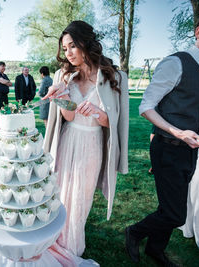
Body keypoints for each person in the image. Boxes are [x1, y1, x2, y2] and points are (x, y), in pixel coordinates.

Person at [126, 2, 199, 266]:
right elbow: (146, 106)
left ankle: (155, 249)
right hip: (167, 147)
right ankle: (135, 232)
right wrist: (178, 131)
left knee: (169, 207)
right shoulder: (175, 63)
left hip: (190, 148)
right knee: (176, 215)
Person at [42, 20, 129, 265]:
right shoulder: (65, 75)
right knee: (57, 193)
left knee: (79, 197)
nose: (67, 53)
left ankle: (70, 247)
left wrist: (97, 113)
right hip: (67, 141)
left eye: (72, 46)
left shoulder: (115, 77)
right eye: (64, 48)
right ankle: (51, 242)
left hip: (91, 146)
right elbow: (69, 116)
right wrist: (60, 99)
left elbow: (116, 123)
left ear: (85, 44)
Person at [0, 61, 12, 131]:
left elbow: (10, 84)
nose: (4, 67)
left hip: (5, 95)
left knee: (6, 110)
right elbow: (3, 81)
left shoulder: (5, 75)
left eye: (4, 66)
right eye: (2, 66)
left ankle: (5, 125)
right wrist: (6, 81)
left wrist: (5, 81)